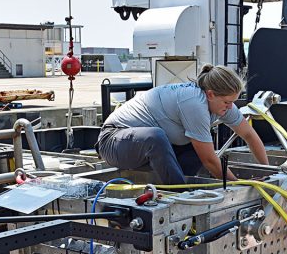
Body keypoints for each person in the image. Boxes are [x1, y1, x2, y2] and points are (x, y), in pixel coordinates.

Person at [96, 65, 270, 185]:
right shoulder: (194, 103)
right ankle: (180, 195)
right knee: (156, 137)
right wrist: (238, 184)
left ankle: (175, 186)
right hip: (113, 142)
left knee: (197, 148)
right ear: (210, 94)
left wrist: (268, 173)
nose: (231, 107)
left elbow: (249, 135)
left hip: (142, 151)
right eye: (227, 102)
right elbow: (209, 160)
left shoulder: (223, 104)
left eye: (233, 101)